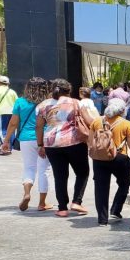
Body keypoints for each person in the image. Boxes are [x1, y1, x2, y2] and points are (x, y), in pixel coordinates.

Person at [36, 78, 96, 218]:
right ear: (68, 91)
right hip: (74, 142)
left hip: (51, 144)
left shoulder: (43, 105)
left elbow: (39, 126)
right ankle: (76, 202)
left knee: (60, 175)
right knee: (82, 173)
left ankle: (62, 208)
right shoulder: (76, 103)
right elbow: (89, 121)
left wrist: (40, 145)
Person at [0, 77, 53, 211]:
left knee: (29, 168)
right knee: (44, 169)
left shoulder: (20, 102)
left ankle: (27, 193)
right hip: (44, 138)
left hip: (26, 139)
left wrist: (6, 141)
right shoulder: (47, 103)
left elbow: (13, 123)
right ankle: (42, 203)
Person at [89, 98, 130, 225]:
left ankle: (102, 219)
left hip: (99, 158)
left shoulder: (96, 121)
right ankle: (116, 209)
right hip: (119, 157)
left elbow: (90, 141)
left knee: (101, 188)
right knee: (124, 184)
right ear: (122, 110)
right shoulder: (126, 124)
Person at [0, 75, 18, 148]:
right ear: (8, 83)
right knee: (11, 130)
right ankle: (10, 147)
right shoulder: (12, 92)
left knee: (2, 130)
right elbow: (17, 103)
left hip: (0, 113)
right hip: (13, 113)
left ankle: (5, 146)